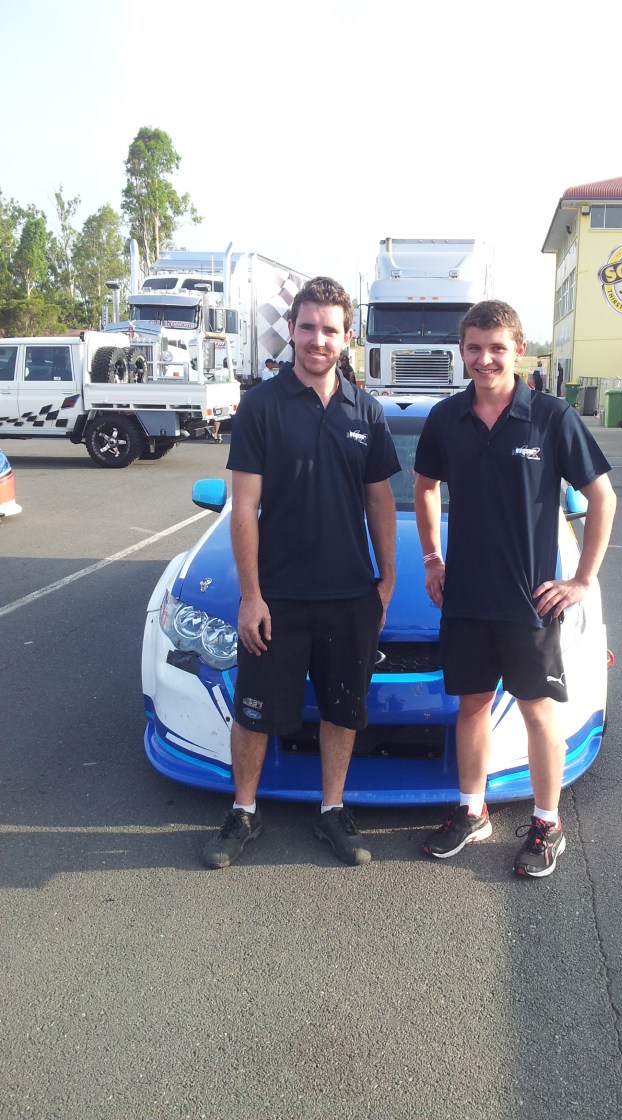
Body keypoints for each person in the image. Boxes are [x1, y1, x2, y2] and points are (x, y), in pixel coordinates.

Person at [203, 276, 401, 870]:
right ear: (291, 330)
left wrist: (386, 582)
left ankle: (331, 810)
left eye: (330, 330)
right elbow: (243, 507)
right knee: (254, 710)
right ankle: (243, 812)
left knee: (343, 710)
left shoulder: (364, 408)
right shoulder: (261, 406)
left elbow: (381, 501)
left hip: (348, 596)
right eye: (308, 327)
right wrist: (251, 595)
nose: (318, 340)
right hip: (279, 598)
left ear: (347, 337)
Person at [413, 299, 616, 878]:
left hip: (529, 601)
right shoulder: (446, 418)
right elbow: (424, 486)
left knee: (536, 710)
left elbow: (602, 496)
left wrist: (582, 580)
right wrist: (432, 557)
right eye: (474, 347)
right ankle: (472, 812)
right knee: (472, 707)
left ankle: (547, 823)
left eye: (497, 347)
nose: (484, 359)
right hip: (465, 599)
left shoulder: (551, 417)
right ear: (462, 350)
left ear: (518, 349)